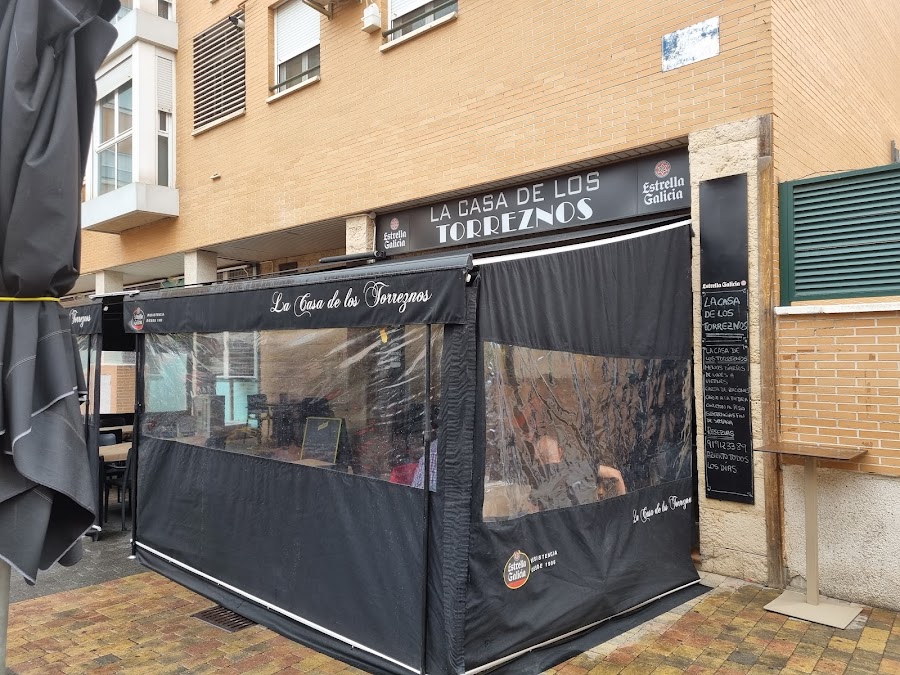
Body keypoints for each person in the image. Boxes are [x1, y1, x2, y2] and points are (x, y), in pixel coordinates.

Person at [529, 434, 626, 512]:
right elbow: (616, 475)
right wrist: (624, 510)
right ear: (560, 451)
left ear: (539, 457)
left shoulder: (537, 481)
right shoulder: (582, 467)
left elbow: (532, 514)